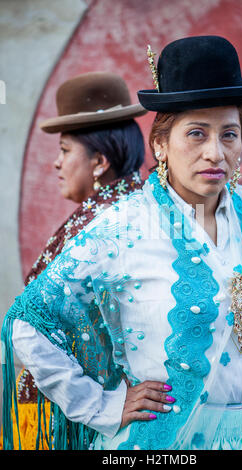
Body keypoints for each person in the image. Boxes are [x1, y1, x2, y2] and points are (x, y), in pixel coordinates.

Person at [2, 36, 242, 451]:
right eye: (196, 133)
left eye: (229, 135)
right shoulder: (122, 228)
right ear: (160, 144)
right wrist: (102, 405)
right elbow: (28, 324)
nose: (215, 152)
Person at [2, 72, 146, 450]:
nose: (56, 164)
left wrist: (100, 406)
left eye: (65, 151)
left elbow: (26, 328)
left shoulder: (103, 226)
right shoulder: (138, 208)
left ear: (99, 161)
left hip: (89, 430)